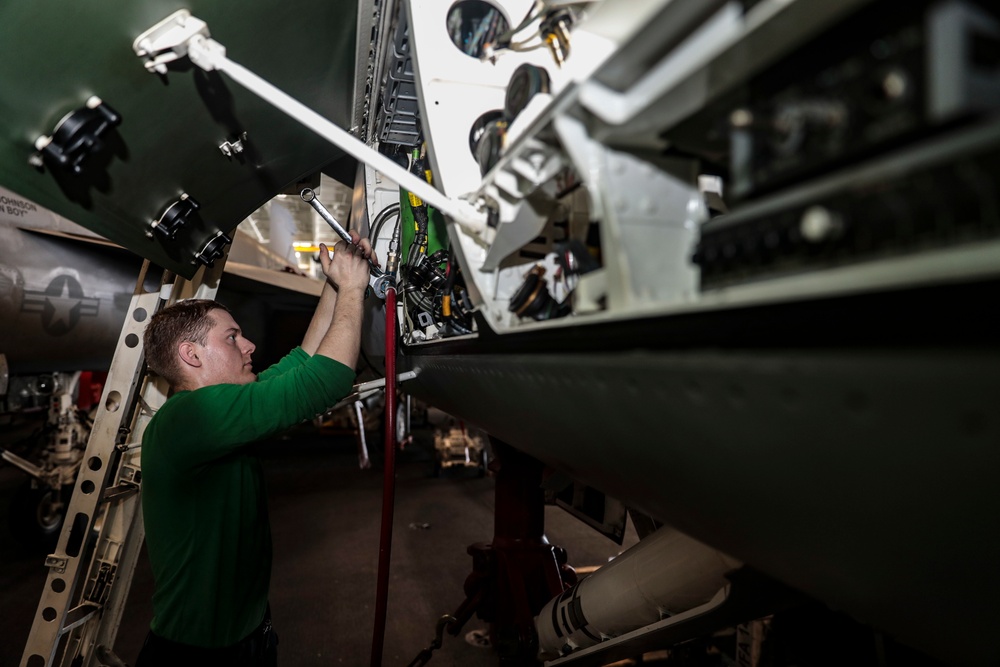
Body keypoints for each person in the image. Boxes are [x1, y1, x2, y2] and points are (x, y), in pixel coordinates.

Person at [135, 232, 376, 666]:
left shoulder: (216, 407)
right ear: (191, 355)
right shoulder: (189, 418)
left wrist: (337, 281)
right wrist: (356, 290)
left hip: (248, 636)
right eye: (231, 338)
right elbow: (324, 380)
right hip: (199, 655)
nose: (249, 346)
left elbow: (303, 361)